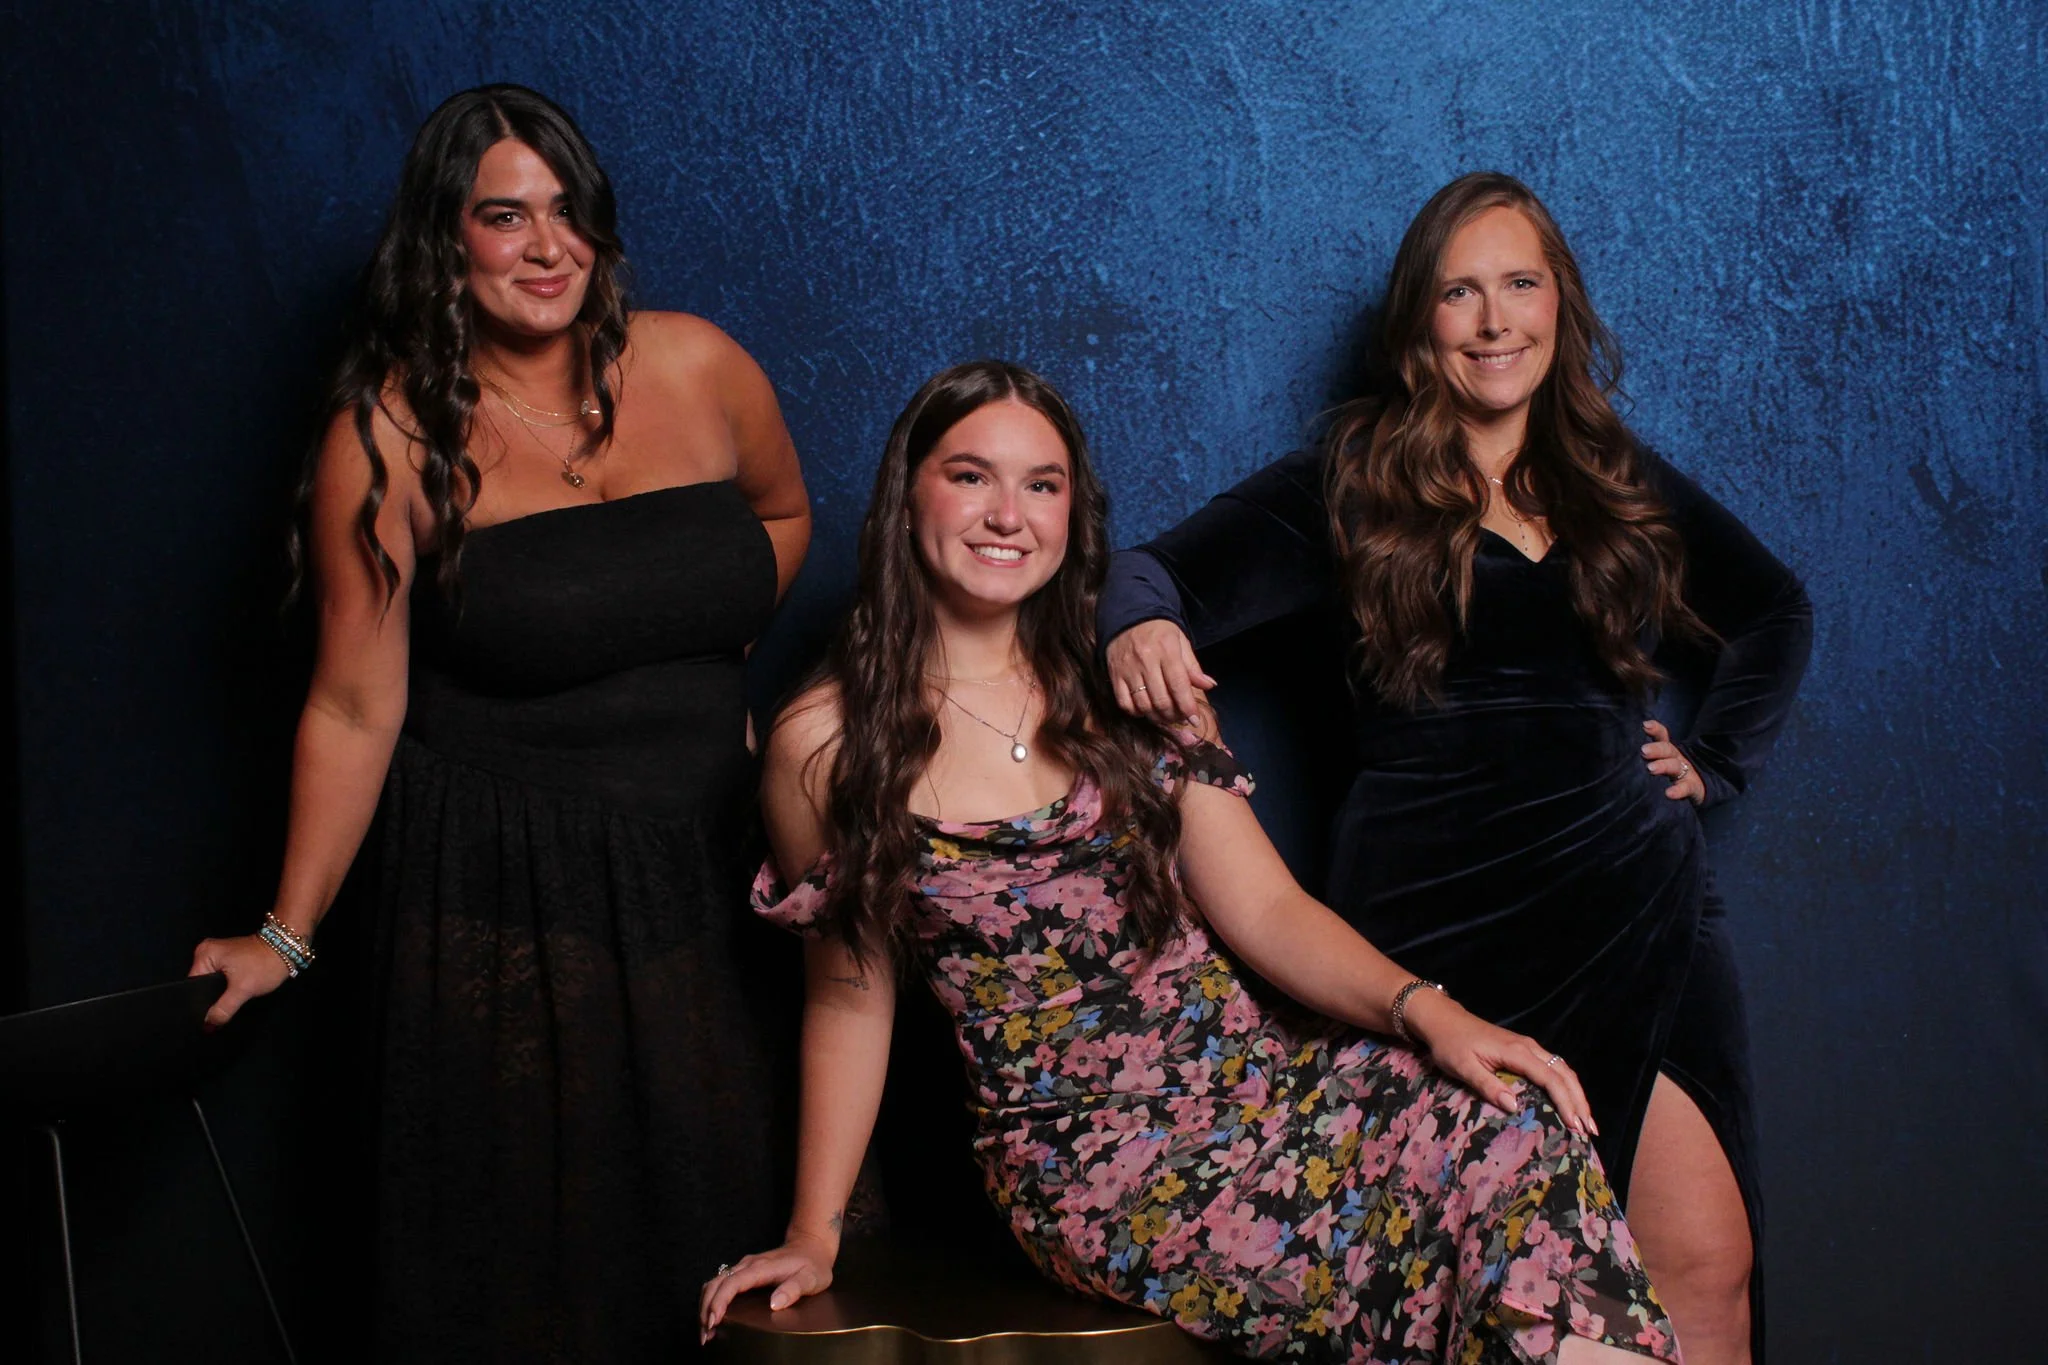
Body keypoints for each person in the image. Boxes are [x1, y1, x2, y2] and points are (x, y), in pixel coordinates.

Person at [700, 360, 1679, 1364]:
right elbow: (847, 997)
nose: (1007, 514)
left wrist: (1432, 1014)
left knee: (1516, 1130)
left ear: (1071, 513)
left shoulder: (1124, 681)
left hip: (1274, 1082)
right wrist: (812, 1233)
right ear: (907, 494)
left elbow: (1261, 907)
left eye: (1041, 484)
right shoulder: (824, 743)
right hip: (1103, 1168)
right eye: (970, 477)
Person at [1097, 173, 1812, 1365]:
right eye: (1459, 293)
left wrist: (1711, 760)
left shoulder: (1610, 475)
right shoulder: (1351, 477)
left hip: (1644, 919)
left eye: (1520, 285)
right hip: (1445, 933)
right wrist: (1137, 626)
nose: (1494, 322)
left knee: (1702, 1271)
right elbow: (1145, 575)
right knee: (1470, 1308)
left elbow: (1772, 609)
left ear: (1559, 303)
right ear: (1418, 323)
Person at [186, 85, 810, 1363]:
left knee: (740, 1246)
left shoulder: (700, 365)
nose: (546, 246)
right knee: (549, 1280)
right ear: (444, 244)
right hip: (511, 900)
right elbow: (355, 703)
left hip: (714, 873)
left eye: (567, 212)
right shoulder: (391, 441)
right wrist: (283, 936)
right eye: (504, 216)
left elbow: (785, 520)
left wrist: (702, 674)